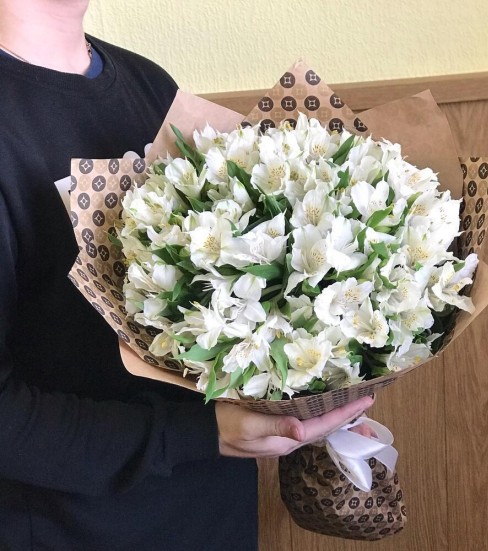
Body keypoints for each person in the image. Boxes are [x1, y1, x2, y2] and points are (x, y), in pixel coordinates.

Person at [0, 1, 375, 549]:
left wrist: (315, 380)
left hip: (213, 512)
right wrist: (202, 433)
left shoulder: (148, 85)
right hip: (68, 526)